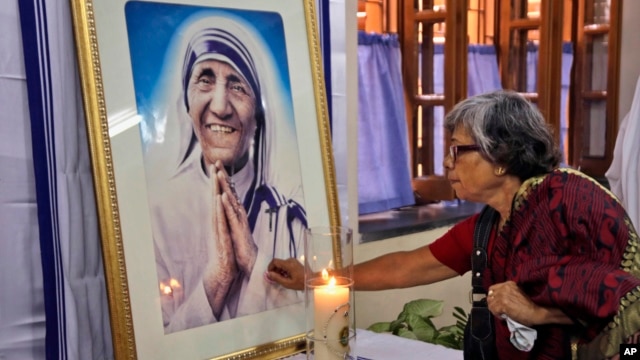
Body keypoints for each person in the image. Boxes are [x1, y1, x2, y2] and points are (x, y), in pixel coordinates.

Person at [268, 90, 640, 359]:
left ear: (501, 156)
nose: (447, 163)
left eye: (457, 150)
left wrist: (539, 313)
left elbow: (624, 297)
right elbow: (409, 265)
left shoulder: (564, 200)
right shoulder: (493, 222)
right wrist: (317, 276)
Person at [144, 16, 307, 334]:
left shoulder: (290, 216)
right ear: (187, 103)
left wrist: (254, 262)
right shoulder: (156, 213)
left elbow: (305, 323)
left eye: (237, 85)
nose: (220, 106)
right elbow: (152, 341)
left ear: (259, 116)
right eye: (205, 80)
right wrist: (218, 278)